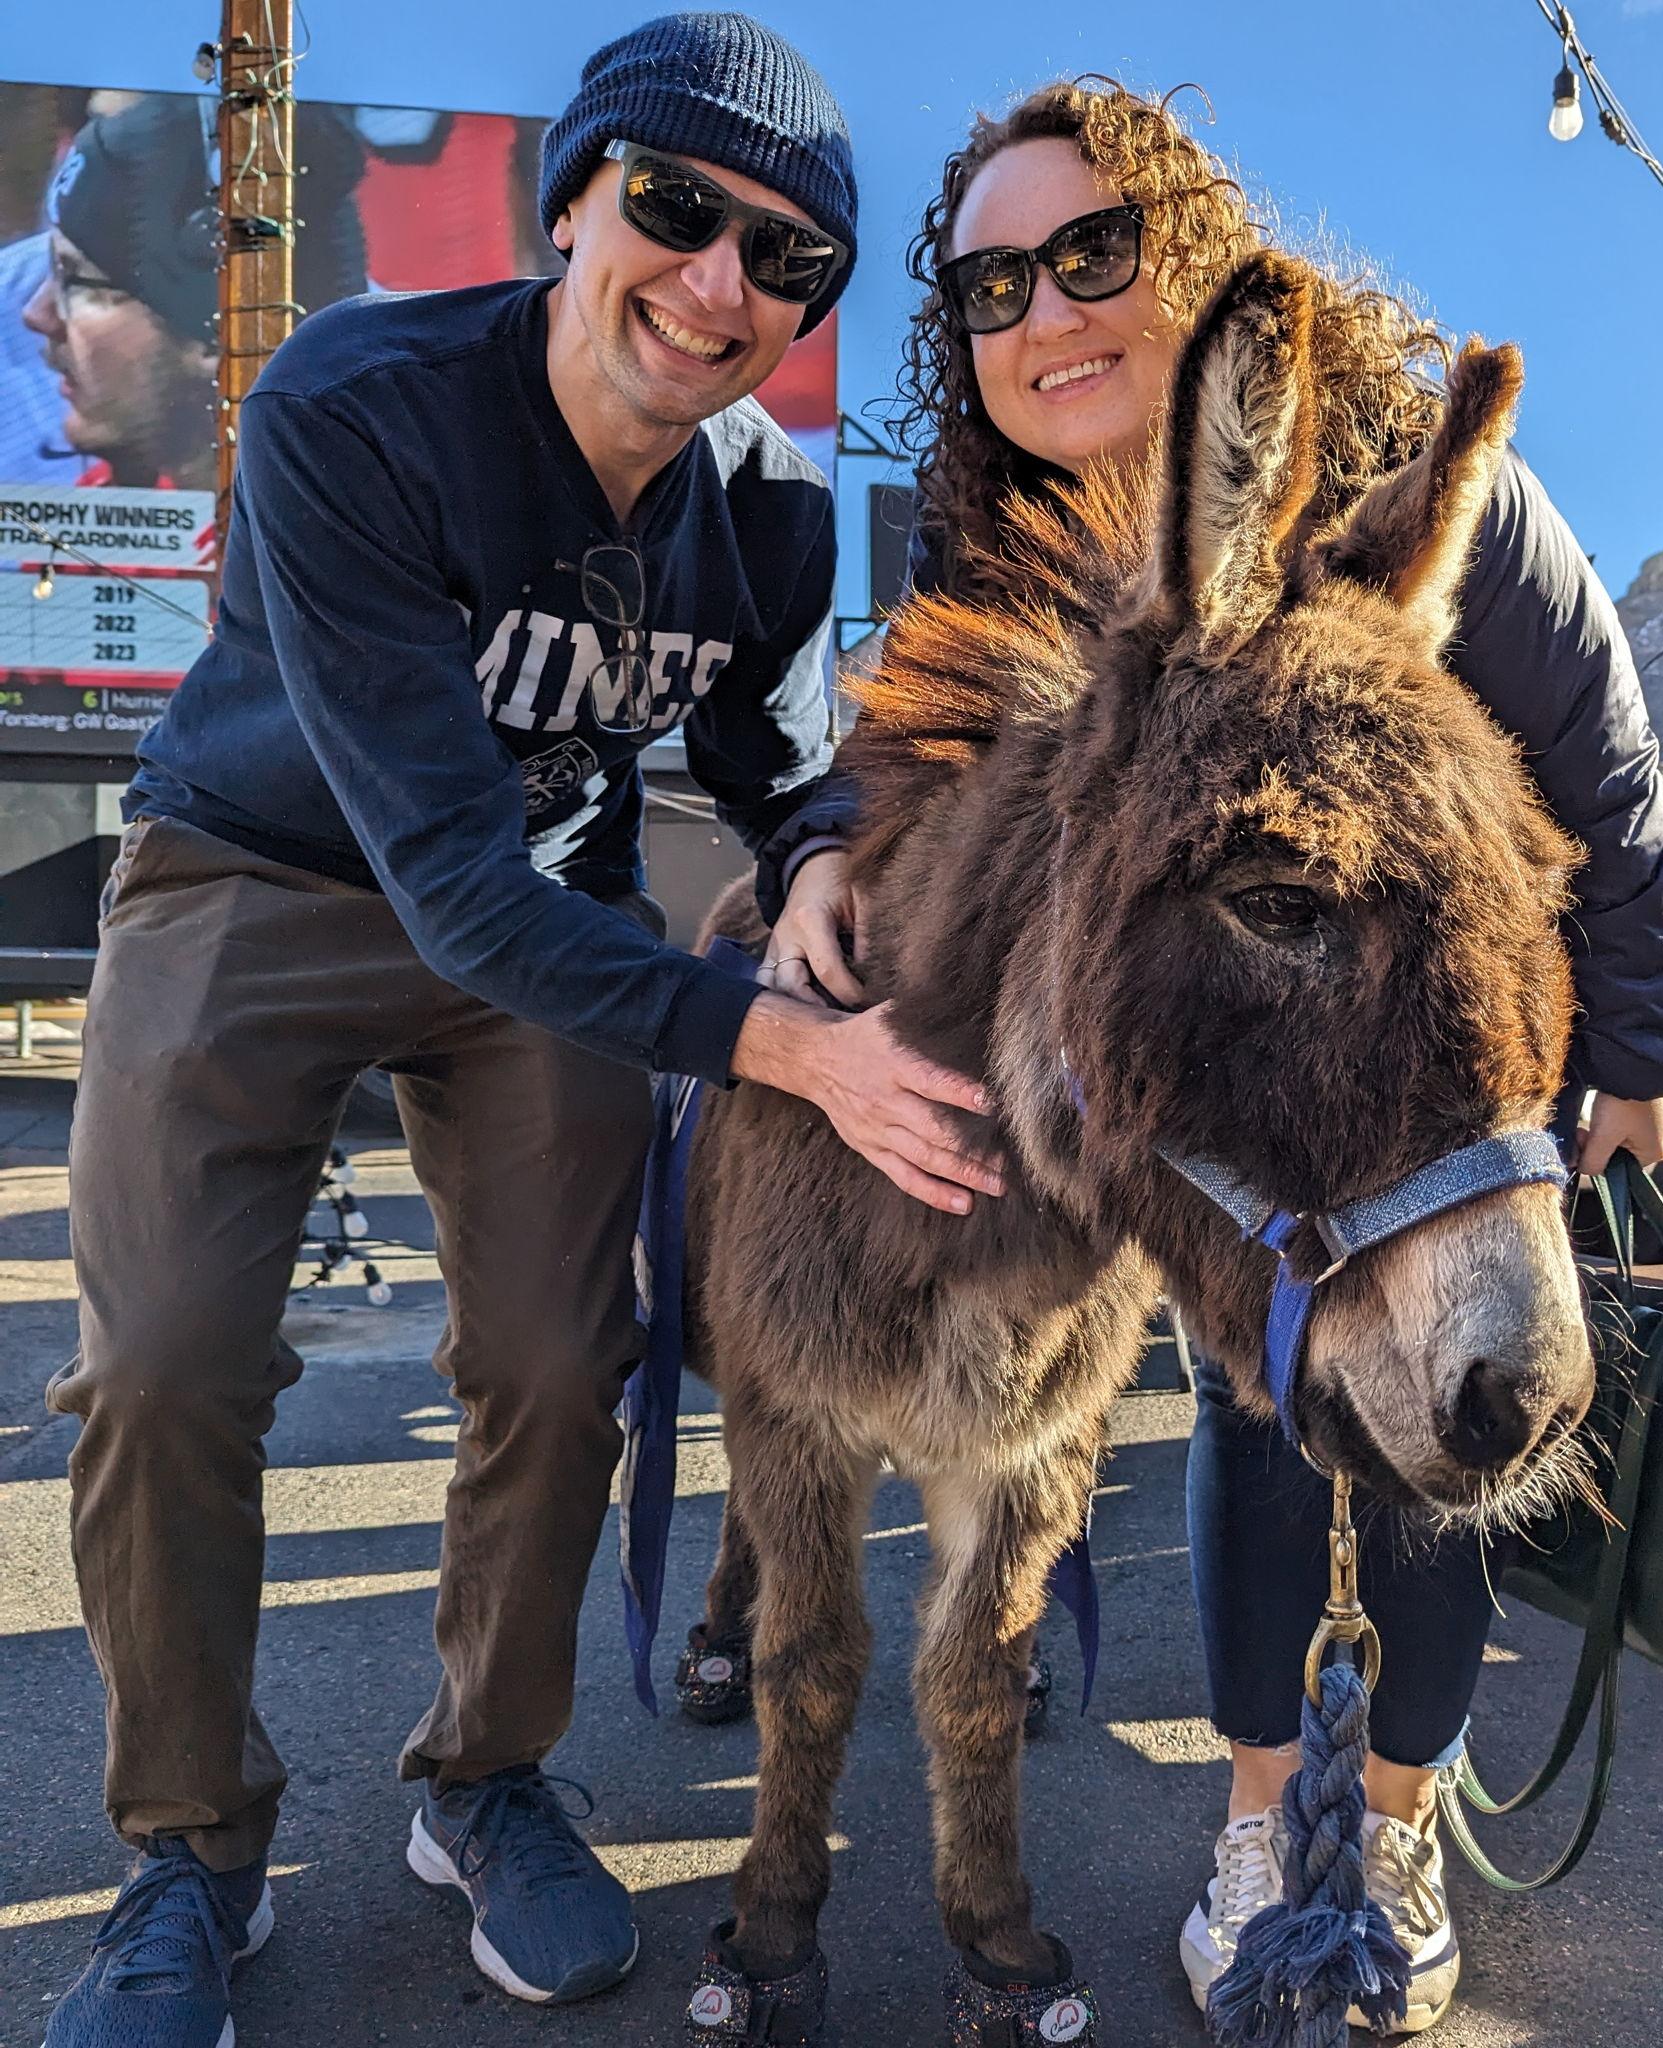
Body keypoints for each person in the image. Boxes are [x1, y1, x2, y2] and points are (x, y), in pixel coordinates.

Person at [42, 17, 1003, 2047]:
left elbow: (775, 757)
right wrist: (787, 1041)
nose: (723, 285)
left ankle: (485, 1776)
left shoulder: (775, 514)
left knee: (571, 1364)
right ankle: (188, 1855)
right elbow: (444, 875)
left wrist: (821, 849)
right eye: (676, 210)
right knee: (160, 1366)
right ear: (570, 201)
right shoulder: (350, 405)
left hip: (543, 919)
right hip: (259, 870)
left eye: (788, 258)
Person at [849, 78, 1663, 2037]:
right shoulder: (1014, 550)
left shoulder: (1441, 497)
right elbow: (915, 765)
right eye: (987, 288)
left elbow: (1615, 805)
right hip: (1254, 1072)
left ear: (1193, 255)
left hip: (1470, 1043)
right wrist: (819, 862)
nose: (1043, 316)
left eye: (1088, 255)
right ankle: (1268, 1826)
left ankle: (1386, 1818)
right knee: (1263, 1408)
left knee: (1453, 1443)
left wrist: (1635, 1057)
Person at [20, 94, 369, 492]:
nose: (36, 314)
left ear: (220, 333)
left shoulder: (358, 534)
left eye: (75, 280)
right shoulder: (93, 528)